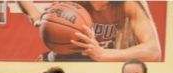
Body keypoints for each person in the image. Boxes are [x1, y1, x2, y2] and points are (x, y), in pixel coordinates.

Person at [18, 1, 162, 62]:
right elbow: (36, 16)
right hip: (69, 61)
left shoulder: (127, 4)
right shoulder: (73, 3)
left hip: (104, 64)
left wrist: (103, 54)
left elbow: (153, 51)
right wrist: (37, 17)